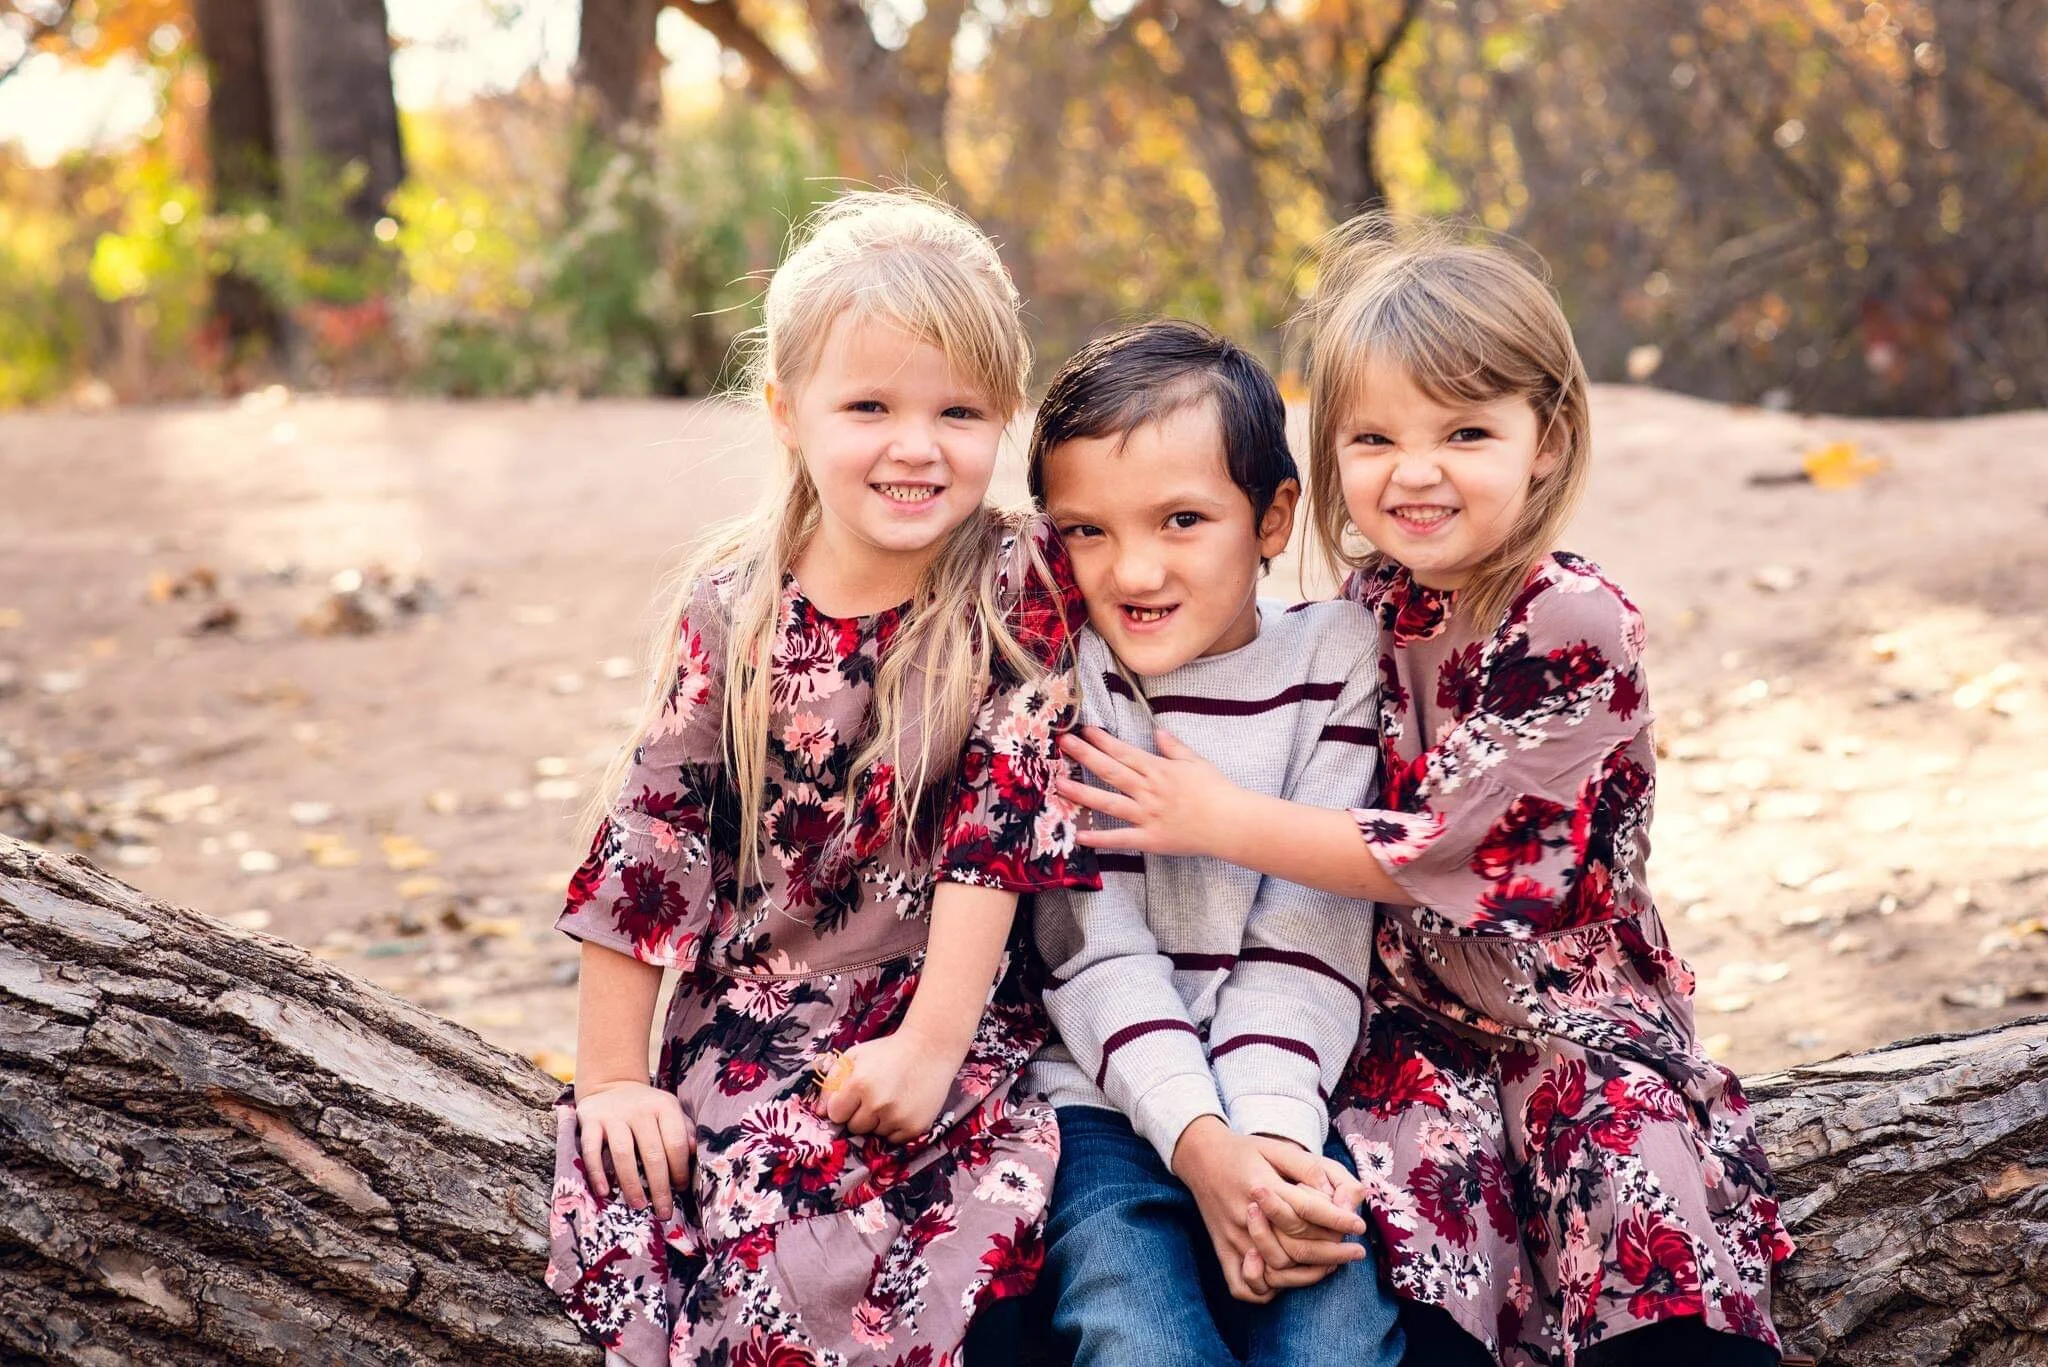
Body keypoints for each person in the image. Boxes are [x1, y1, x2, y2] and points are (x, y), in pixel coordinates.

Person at [1054, 220, 1797, 1367]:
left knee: (1623, 1171)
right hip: (1404, 1014)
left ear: (1544, 441)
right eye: (1374, 435)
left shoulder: (1570, 620)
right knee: (1402, 1232)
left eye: (1464, 431)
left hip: (1556, 1006)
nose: (1413, 469)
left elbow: (1468, 852)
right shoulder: (1372, 606)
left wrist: (1221, 818)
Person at [544, 189, 1099, 1365]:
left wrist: (928, 1049)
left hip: (947, 1009)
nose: (916, 444)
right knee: (749, 1227)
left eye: (959, 409)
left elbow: (998, 828)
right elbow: (651, 836)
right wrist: (610, 1078)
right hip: (753, 1019)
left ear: (1004, 413)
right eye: (869, 405)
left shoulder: (1012, 586)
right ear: (786, 412)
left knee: (973, 1243)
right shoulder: (737, 607)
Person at [1022, 319, 1405, 1367]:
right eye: (1085, 530)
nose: (1131, 568)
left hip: (1286, 1090)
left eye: (1181, 518)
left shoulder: (1335, 660)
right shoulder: (1063, 675)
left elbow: (1310, 932)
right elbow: (1090, 949)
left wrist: (1268, 1146)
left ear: (1270, 515)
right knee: (1135, 1331)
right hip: (1099, 1100)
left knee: (1334, 1333)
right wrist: (1200, 1148)